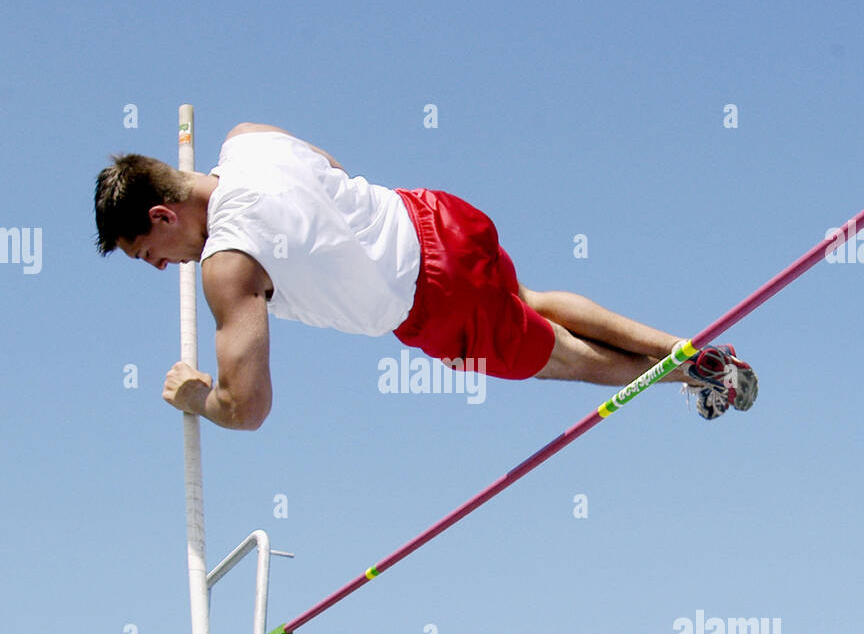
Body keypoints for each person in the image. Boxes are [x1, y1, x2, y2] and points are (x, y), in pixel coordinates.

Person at [93, 122, 758, 429]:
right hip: (433, 216)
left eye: (149, 254)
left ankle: (691, 369)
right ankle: (689, 354)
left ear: (162, 215)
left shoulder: (227, 265)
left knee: (567, 362)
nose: (162, 269)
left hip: (432, 301)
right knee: (530, 301)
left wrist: (194, 397)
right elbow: (324, 159)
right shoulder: (246, 139)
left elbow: (249, 408)